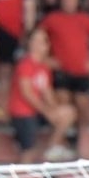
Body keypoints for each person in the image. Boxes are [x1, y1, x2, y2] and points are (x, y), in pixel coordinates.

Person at [10, 25, 73, 161]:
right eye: (36, 40)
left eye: (42, 41)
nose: (39, 44)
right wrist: (47, 111)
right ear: (30, 43)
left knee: (67, 112)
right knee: (29, 152)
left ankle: (52, 148)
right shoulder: (25, 64)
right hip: (23, 113)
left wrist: (54, 109)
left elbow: (47, 91)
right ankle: (23, 173)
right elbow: (27, 93)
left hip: (37, 112)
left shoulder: (44, 67)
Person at [40, 0, 89, 141]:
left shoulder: (85, 19)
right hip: (62, 72)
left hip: (81, 71)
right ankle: (62, 142)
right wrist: (45, 59)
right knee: (63, 106)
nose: (69, 2)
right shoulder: (51, 19)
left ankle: (85, 140)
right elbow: (38, 39)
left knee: (82, 106)